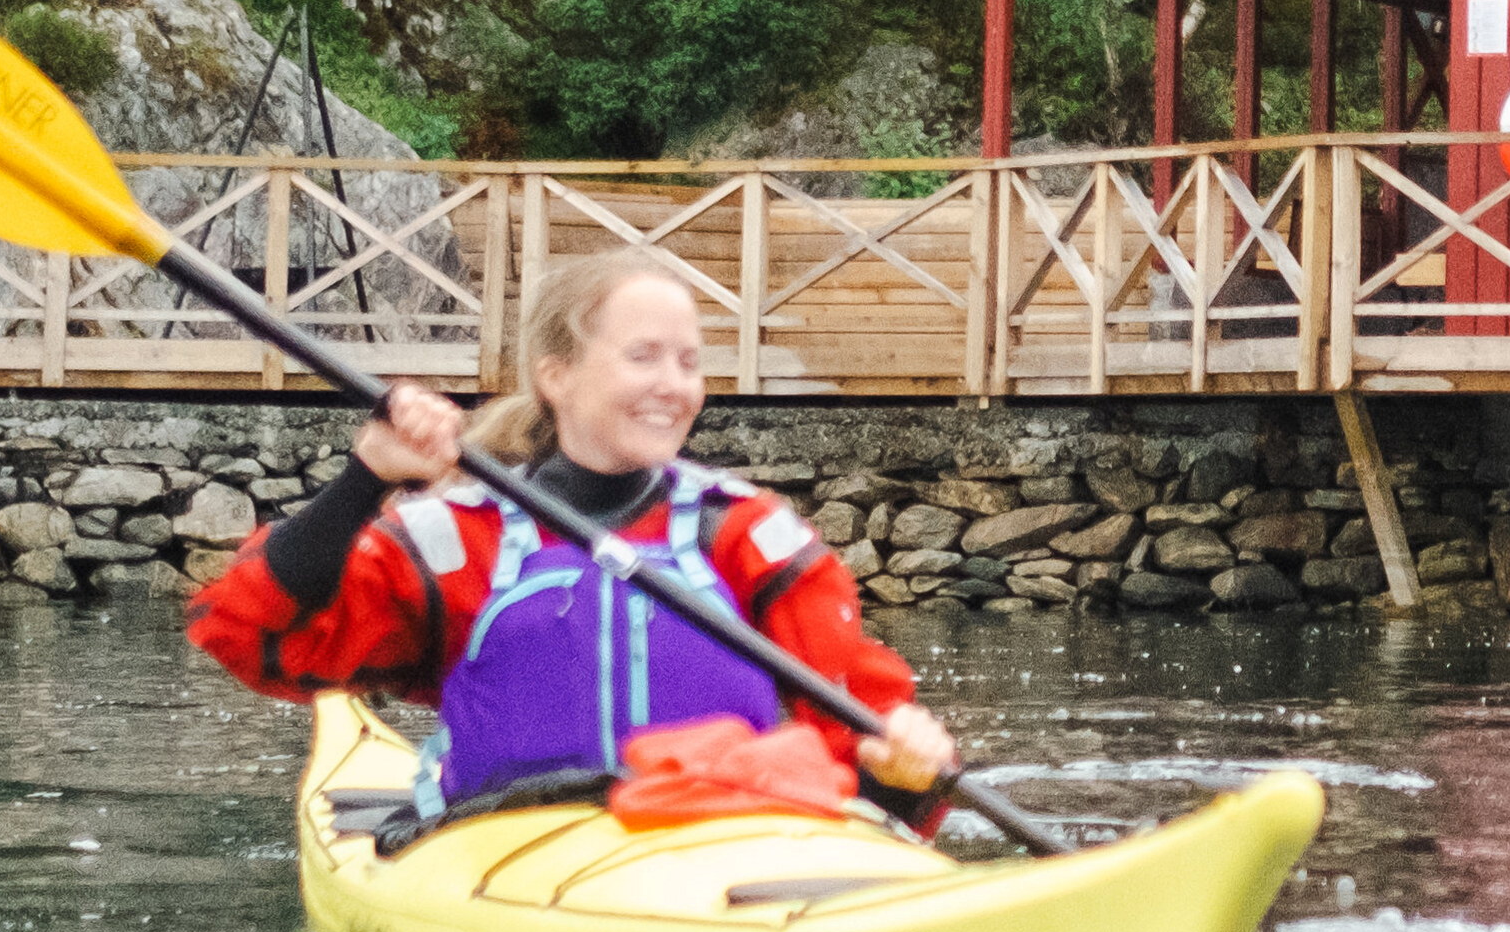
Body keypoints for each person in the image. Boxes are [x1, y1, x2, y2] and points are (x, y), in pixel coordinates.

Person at [189, 250, 961, 819]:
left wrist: (904, 766)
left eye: (689, 362)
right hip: (506, 848)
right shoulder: (462, 541)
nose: (673, 385)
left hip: (724, 842)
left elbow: (868, 760)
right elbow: (247, 635)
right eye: (643, 356)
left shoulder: (745, 537)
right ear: (556, 374)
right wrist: (367, 474)